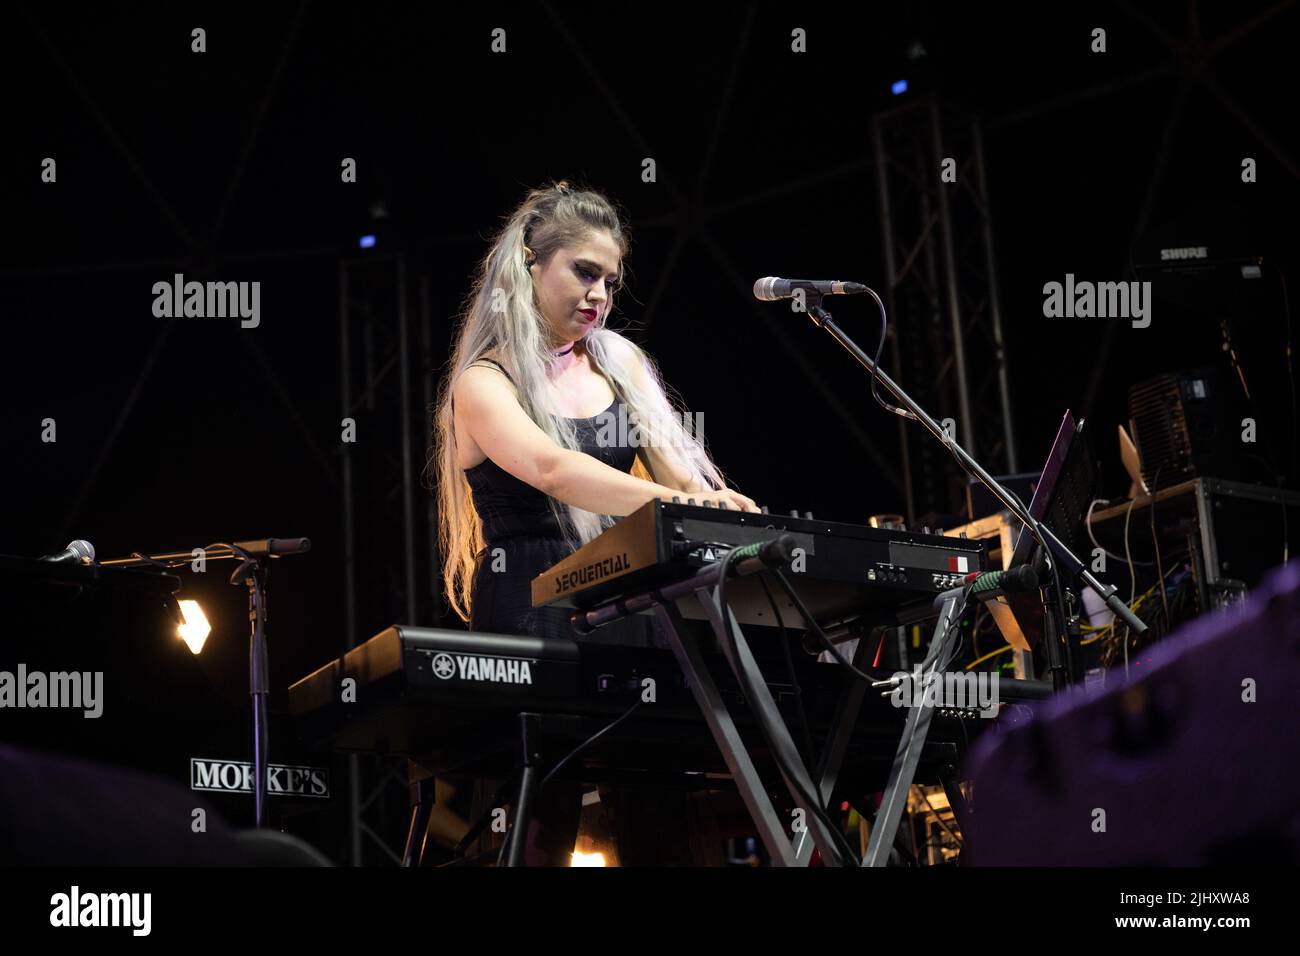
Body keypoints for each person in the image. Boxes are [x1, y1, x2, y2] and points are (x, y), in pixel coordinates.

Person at [428, 179, 757, 864]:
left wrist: (716, 504)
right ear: (529, 265)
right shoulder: (483, 383)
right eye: (584, 272)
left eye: (610, 279)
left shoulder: (621, 363)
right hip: (530, 596)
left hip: (626, 596)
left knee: (658, 802)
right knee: (540, 810)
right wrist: (679, 504)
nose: (600, 294)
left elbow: (682, 478)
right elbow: (552, 469)